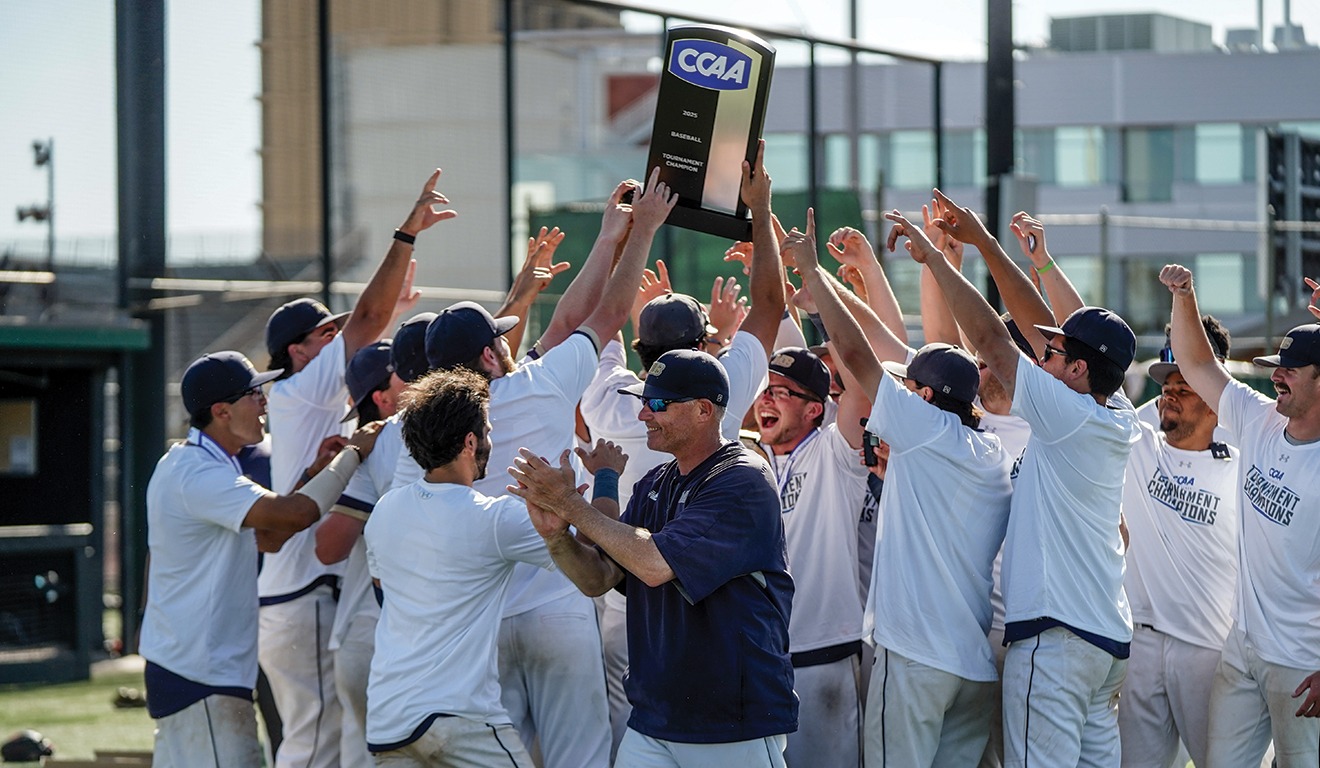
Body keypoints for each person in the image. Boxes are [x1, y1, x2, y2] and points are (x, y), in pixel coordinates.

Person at [395, 170, 676, 768]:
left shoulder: (422, 426)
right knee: (580, 759)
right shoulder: (541, 385)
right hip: (558, 597)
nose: (509, 341)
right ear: (490, 354)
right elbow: (603, 315)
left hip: (486, 617)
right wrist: (636, 231)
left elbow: (561, 327)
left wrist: (608, 240)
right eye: (498, 339)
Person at [911, 190, 1140, 767]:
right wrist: (989, 246)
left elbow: (991, 340)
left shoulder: (1069, 416)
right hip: (1104, 643)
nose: (1043, 359)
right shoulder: (1115, 411)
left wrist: (948, 259)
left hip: (1056, 639)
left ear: (1080, 369)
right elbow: (1058, 338)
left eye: (1055, 354)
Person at [578, 140, 786, 752]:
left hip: (633, 617)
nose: (651, 415)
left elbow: (597, 319)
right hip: (649, 594)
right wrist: (759, 210)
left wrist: (623, 237)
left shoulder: (610, 394)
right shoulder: (717, 384)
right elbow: (771, 306)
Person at [794, 209, 1014, 766]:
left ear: (927, 397)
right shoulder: (988, 448)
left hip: (916, 657)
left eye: (912, 387)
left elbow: (858, 356)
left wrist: (814, 278)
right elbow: (888, 356)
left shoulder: (925, 430)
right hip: (973, 665)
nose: (902, 392)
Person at [508, 348, 797, 767]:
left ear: (702, 410)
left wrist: (570, 503)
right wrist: (557, 538)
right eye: (642, 401)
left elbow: (655, 564)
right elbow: (598, 579)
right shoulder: (653, 483)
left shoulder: (742, 479)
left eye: (657, 403)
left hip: (733, 722)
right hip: (653, 721)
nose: (643, 414)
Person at [258, 170, 451, 768]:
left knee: (325, 746)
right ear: (296, 351)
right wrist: (406, 235)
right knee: (312, 753)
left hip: (297, 596)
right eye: (326, 333)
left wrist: (391, 311)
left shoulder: (309, 395)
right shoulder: (303, 389)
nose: (340, 338)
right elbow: (367, 321)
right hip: (303, 593)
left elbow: (369, 331)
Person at [140, 351, 377, 768]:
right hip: (200, 675)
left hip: (197, 671)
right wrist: (352, 456)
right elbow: (297, 515)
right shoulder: (197, 472)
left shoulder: (203, 463)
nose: (264, 400)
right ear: (221, 411)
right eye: (254, 393)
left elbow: (269, 539)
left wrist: (313, 473)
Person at [1160, 265, 1320, 768]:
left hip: (1302, 664)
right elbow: (1197, 361)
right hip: (1244, 645)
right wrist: (1185, 295)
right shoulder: (1260, 418)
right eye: (1278, 364)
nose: (1277, 374)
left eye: (1291, 369)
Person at [364, 367, 554, 767]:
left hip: (387, 722)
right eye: (486, 430)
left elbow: (383, 588)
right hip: (460, 719)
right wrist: (602, 481)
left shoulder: (385, 510)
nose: (490, 439)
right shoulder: (496, 519)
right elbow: (593, 552)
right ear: (470, 442)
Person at [1117, 314, 1240, 768]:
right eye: (1169, 365)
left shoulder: (1246, 439)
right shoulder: (1144, 428)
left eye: (1187, 371)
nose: (1171, 389)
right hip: (1141, 639)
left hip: (1210, 646)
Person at [752, 343, 870, 768]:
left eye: (781, 392)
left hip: (825, 653)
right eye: (766, 389)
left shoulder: (835, 452)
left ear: (814, 410)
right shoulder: (747, 459)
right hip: (760, 658)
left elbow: (860, 389)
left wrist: (827, 308)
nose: (766, 398)